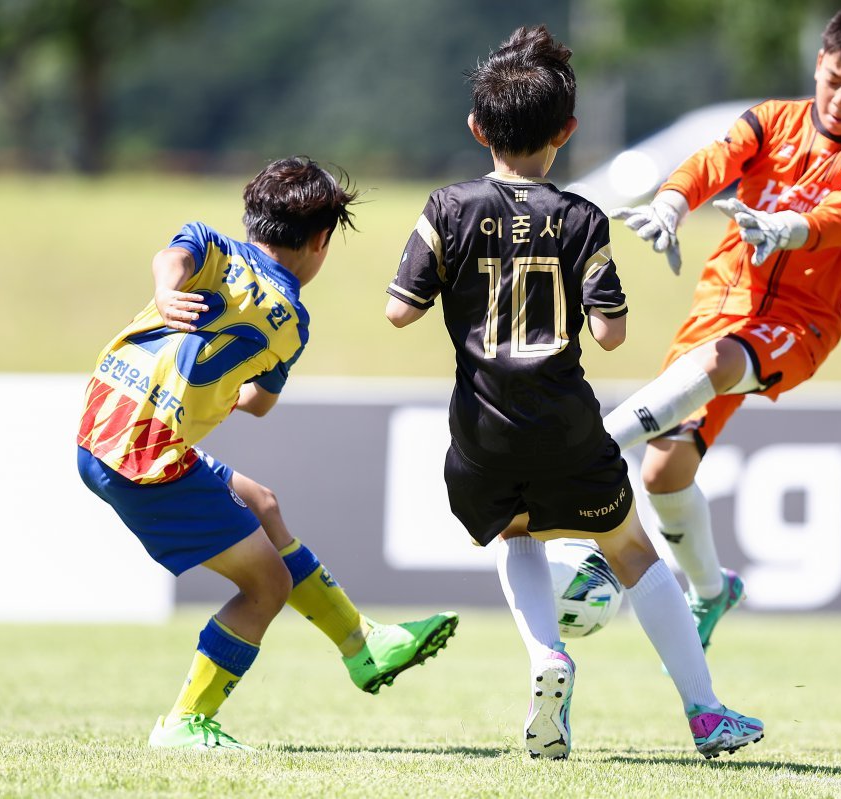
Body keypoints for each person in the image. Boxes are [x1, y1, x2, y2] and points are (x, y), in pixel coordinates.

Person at [384, 25, 762, 760]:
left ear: (475, 128)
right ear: (566, 133)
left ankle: (546, 658)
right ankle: (706, 711)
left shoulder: (446, 207)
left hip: (483, 428)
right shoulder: (581, 218)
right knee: (631, 550)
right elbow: (611, 333)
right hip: (564, 419)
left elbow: (400, 310)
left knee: (514, 530)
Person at [77, 157, 458, 752]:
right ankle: (185, 721)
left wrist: (165, 294)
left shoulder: (211, 246)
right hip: (144, 458)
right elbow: (258, 403)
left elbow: (171, 257)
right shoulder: (291, 322)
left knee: (262, 502)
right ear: (322, 241)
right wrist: (223, 385)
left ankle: (363, 645)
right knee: (267, 587)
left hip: (106, 425)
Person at [606, 4, 841, 649]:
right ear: (818, 64)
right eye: (834, 80)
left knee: (720, 365)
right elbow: (716, 160)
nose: (840, 100)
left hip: (799, 325)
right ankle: (715, 593)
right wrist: (670, 203)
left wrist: (791, 228)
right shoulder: (771, 120)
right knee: (663, 473)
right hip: (719, 310)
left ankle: (591, 444)